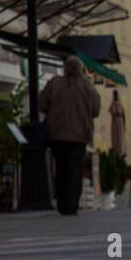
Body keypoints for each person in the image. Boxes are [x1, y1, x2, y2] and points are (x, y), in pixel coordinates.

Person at [38, 56, 101, 215]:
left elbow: (42, 103)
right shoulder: (88, 87)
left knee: (60, 169)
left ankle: (62, 203)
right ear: (80, 69)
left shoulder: (55, 83)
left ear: (65, 68)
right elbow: (96, 110)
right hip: (79, 137)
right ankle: (72, 205)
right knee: (75, 171)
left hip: (57, 135)